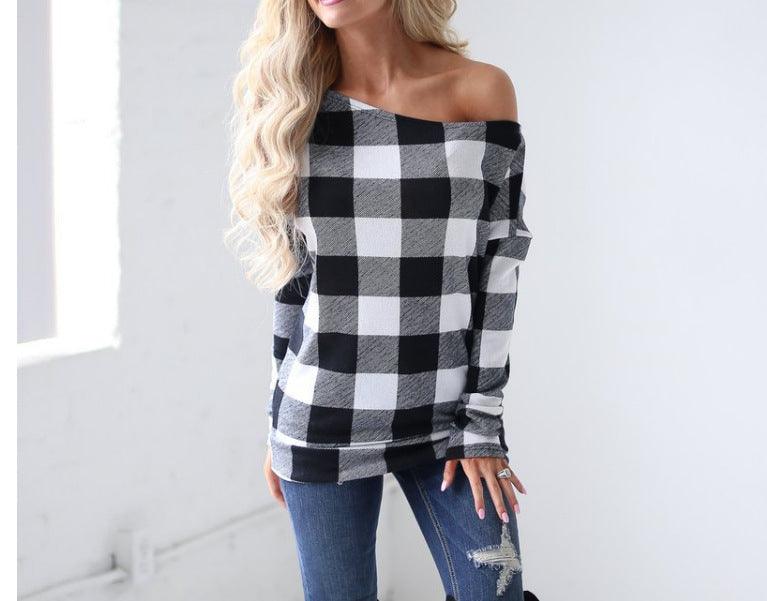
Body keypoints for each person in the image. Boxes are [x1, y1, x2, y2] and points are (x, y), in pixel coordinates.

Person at [227, 1, 534, 599]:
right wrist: (274, 421)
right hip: (320, 418)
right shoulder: (293, 107)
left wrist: (481, 421)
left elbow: (499, 269)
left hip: (450, 420)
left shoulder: (478, 91)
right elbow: (294, 285)